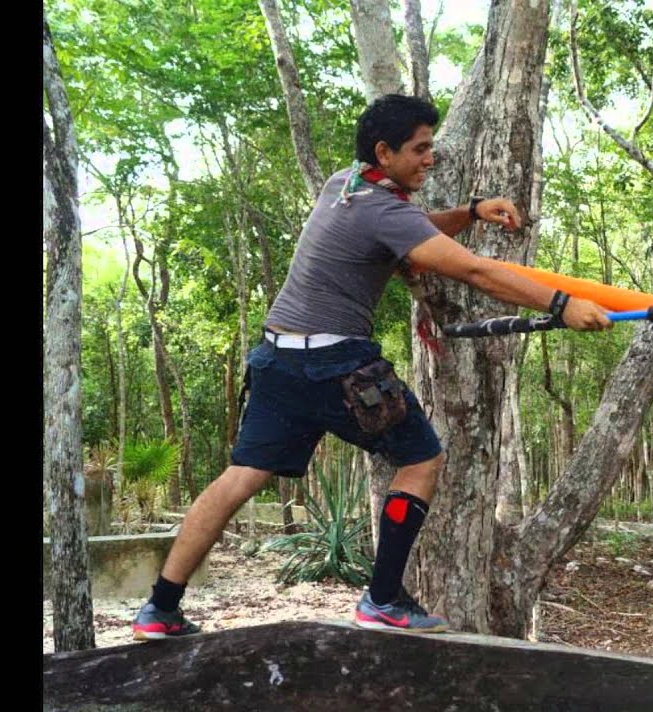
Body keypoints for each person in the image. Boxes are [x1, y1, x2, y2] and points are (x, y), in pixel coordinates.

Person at [130, 94, 611, 640]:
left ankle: (160, 609)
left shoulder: (347, 185)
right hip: (336, 362)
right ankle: (382, 599)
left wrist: (472, 211)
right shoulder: (384, 209)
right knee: (421, 459)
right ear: (385, 151)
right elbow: (475, 271)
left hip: (276, 358)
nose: (430, 158)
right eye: (419, 149)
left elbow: (416, 231)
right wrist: (561, 305)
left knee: (240, 478)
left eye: (431, 147)